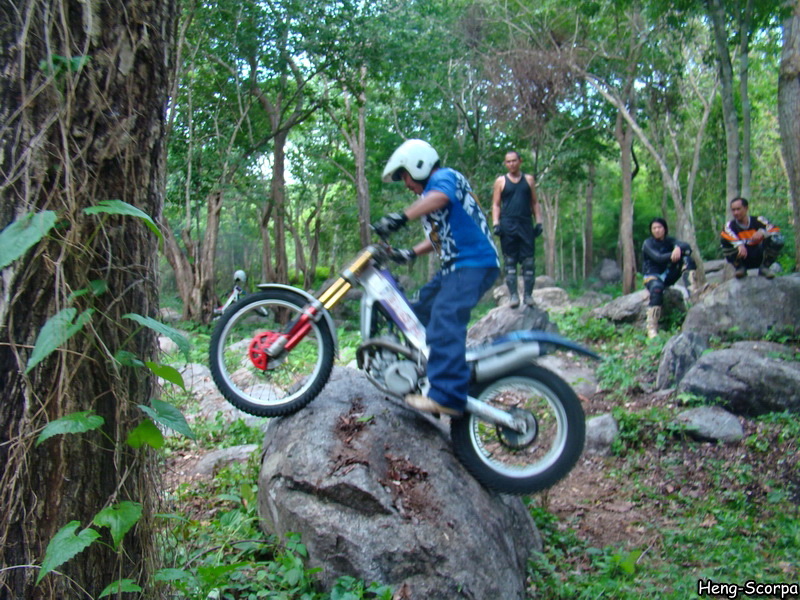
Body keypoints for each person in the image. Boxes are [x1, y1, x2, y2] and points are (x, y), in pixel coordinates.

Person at [372, 139, 500, 416]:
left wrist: (400, 217)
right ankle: (427, 372)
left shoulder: (444, 178)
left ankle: (448, 394)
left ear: (418, 165)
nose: (406, 184)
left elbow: (441, 197)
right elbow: (439, 237)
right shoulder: (430, 196)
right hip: (455, 267)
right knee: (415, 311)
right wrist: (409, 253)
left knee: (445, 316)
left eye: (404, 176)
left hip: (473, 263)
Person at [491, 151, 543, 307]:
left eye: (514, 161)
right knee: (510, 262)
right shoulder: (501, 181)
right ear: (505, 163)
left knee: (529, 263)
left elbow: (534, 202)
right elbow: (496, 204)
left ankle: (528, 296)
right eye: (508, 162)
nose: (511, 164)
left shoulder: (529, 180)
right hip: (508, 224)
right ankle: (513, 296)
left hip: (525, 223)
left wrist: (539, 222)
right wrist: (496, 223)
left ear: (520, 161)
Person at [642, 218, 697, 338]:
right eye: (654, 228)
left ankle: (694, 295)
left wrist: (678, 248)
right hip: (652, 276)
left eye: (659, 227)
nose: (657, 230)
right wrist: (674, 253)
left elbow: (687, 248)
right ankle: (651, 327)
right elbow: (658, 258)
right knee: (657, 288)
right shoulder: (648, 243)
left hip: (668, 276)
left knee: (687, 260)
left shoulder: (670, 241)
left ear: (665, 229)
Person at [720, 197, 784, 279]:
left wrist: (763, 232)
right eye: (733, 210)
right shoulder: (729, 226)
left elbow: (776, 230)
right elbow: (725, 235)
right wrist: (739, 244)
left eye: (738, 209)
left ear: (746, 208)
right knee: (724, 240)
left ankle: (765, 267)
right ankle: (740, 268)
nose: (736, 212)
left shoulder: (759, 220)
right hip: (742, 257)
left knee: (778, 239)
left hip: (760, 254)